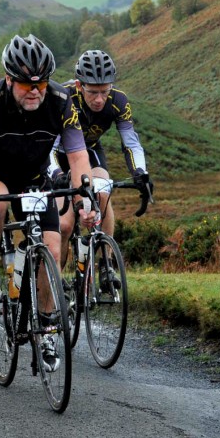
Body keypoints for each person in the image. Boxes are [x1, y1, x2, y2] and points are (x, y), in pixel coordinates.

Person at [0, 34, 97, 371]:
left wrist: (86, 198)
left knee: (52, 249)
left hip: (36, 179)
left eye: (41, 83)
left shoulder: (61, 101)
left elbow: (79, 158)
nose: (35, 90)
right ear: (9, 79)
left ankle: (47, 330)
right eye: (25, 84)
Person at [48, 50, 152, 276]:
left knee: (103, 191)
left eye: (104, 92)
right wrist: (57, 174)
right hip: (59, 154)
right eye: (93, 92)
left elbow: (131, 143)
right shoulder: (63, 98)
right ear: (78, 84)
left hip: (90, 150)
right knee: (64, 225)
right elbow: (49, 147)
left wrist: (140, 173)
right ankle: (57, 281)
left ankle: (106, 262)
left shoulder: (118, 101)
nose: (99, 99)